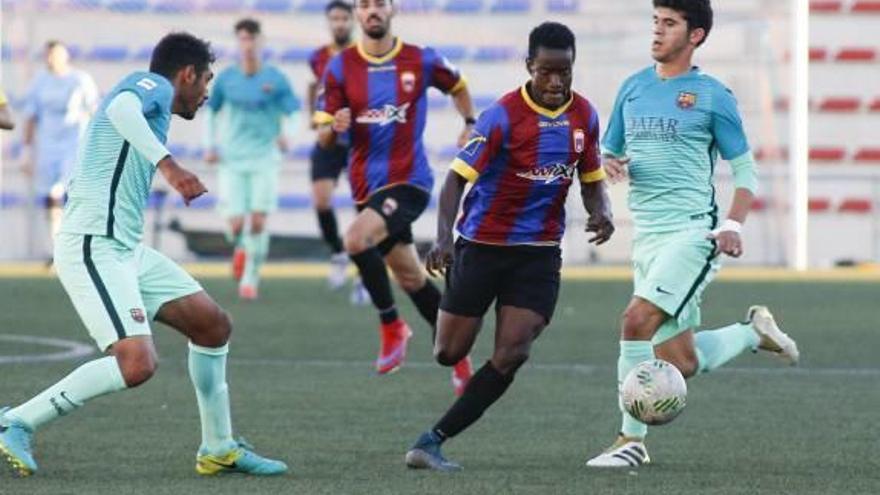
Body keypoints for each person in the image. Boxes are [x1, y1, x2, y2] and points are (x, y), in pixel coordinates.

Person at [0, 32, 287, 477]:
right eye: (206, 80)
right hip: (92, 244)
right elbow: (119, 110)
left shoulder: (158, 104)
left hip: (126, 249)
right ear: (187, 74)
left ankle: (218, 446)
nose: (207, 93)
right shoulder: (151, 85)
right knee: (137, 363)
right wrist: (169, 166)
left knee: (212, 326)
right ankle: (15, 421)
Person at [585, 0, 799, 469]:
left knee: (633, 322)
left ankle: (629, 441)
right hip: (648, 239)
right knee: (678, 362)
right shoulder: (633, 88)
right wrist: (608, 163)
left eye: (670, 24)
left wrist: (732, 223)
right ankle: (750, 333)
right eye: (655, 22)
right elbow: (608, 152)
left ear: (695, 35)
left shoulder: (712, 95)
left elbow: (745, 171)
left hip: (692, 235)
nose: (658, 32)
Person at [404, 22, 614, 471]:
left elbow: (592, 180)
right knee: (448, 353)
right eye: (546, 72)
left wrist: (603, 211)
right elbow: (456, 179)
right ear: (529, 68)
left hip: (538, 253)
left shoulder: (586, 117)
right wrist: (443, 239)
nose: (556, 82)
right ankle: (461, 318)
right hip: (482, 246)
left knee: (513, 351)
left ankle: (432, 440)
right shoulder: (501, 116)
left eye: (564, 72)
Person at [314, 0, 475, 392]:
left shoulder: (420, 60)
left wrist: (469, 122)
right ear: (356, 13)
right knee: (410, 276)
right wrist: (334, 127)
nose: (372, 11)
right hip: (365, 188)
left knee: (354, 238)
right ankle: (461, 360)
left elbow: (458, 85)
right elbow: (321, 134)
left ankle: (392, 327)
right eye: (364, 5)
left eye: (379, 4)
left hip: (410, 181)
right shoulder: (339, 67)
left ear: (393, 9)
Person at [204, 18, 301, 300]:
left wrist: (288, 135)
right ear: (237, 43)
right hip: (232, 158)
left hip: (264, 157)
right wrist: (210, 145)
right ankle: (241, 248)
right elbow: (211, 112)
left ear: (261, 42)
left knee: (258, 221)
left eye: (252, 39)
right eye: (242, 39)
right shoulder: (226, 78)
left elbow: (294, 113)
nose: (247, 45)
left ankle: (250, 278)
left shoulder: (276, 78)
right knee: (235, 225)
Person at [21, 41, 99, 259]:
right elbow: (30, 116)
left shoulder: (80, 80)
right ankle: (55, 249)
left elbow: (95, 114)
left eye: (53, 55)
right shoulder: (39, 82)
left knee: (69, 193)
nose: (49, 60)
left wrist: (97, 147)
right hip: (48, 146)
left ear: (64, 56)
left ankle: (78, 245)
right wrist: (26, 151)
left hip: (74, 145)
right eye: (46, 55)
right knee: (50, 196)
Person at [307, 0, 357, 292]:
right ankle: (338, 253)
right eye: (334, 19)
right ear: (329, 22)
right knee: (321, 200)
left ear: (352, 21)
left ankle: (367, 268)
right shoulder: (318, 57)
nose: (339, 23)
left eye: (344, 18)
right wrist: (314, 118)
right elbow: (315, 87)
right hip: (329, 138)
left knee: (364, 205)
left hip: (360, 140)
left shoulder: (362, 55)